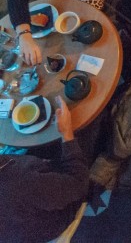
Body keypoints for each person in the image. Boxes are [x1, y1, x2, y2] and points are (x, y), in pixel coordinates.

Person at [0, 97, 90, 243]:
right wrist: (67, 133)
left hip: (26, 221)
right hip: (58, 214)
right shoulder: (21, 182)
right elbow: (78, 183)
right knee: (88, 127)